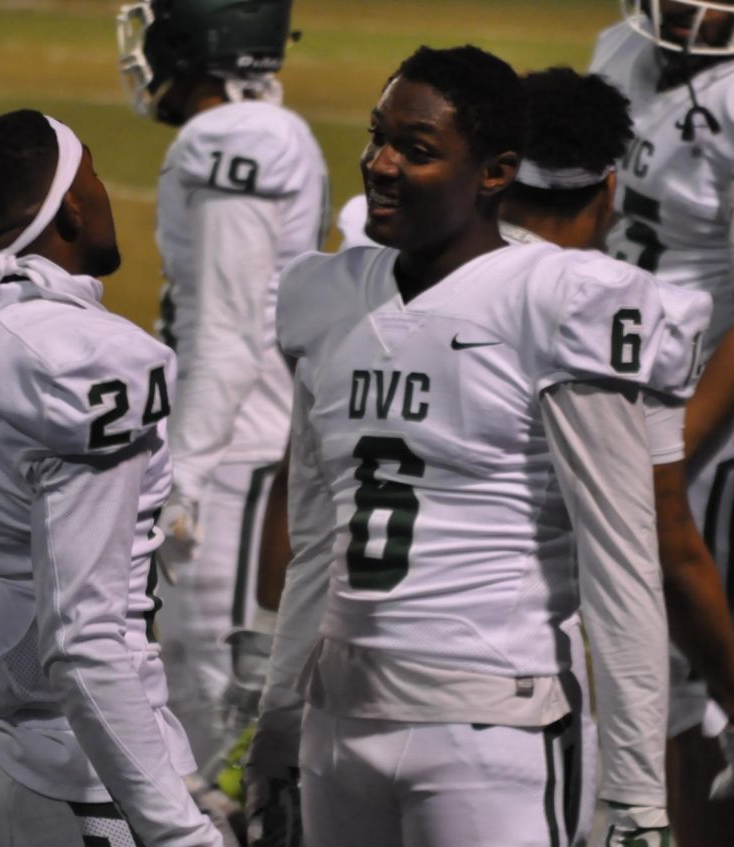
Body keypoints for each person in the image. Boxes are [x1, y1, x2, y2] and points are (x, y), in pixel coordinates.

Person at [249, 44, 705, 847]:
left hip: (493, 730)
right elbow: (317, 540)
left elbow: (621, 554)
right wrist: (279, 729)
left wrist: (636, 796)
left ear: (496, 173)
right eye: (376, 136)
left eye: (416, 150)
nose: (380, 164)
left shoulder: (559, 301)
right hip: (337, 722)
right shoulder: (324, 295)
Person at [0, 109, 222, 846]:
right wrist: (181, 832)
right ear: (71, 206)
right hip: (78, 771)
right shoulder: (84, 355)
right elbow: (83, 639)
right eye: (90, 172)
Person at [116, 0, 329, 777]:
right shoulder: (263, 131)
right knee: (204, 706)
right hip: (245, 440)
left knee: (216, 712)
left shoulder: (231, 137)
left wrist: (187, 478)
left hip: (237, 458)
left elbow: (229, 330)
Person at [591, 3, 734, 842]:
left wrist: (675, 446)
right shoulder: (622, 45)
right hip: (609, 398)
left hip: (701, 432)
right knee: (631, 671)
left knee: (694, 688)